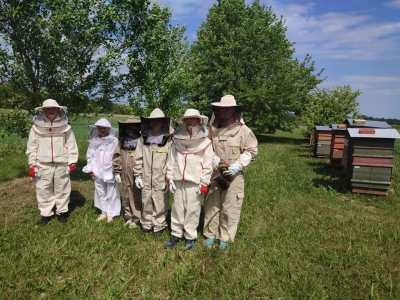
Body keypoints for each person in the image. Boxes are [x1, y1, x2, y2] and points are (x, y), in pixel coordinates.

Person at [203, 95, 258, 249]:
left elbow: (251, 151)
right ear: (219, 110)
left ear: (234, 110)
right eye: (222, 108)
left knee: (230, 205)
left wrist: (237, 166)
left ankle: (225, 237)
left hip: (234, 175)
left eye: (228, 108)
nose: (225, 111)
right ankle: (209, 234)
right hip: (214, 173)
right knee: (211, 204)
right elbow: (206, 148)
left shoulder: (244, 130)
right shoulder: (212, 129)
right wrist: (214, 159)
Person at [165, 109, 213, 249]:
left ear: (199, 121)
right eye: (187, 119)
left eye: (193, 118)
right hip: (178, 179)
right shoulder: (177, 139)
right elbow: (171, 159)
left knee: (192, 209)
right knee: (177, 208)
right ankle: (176, 233)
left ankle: (190, 236)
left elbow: (208, 164)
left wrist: (204, 182)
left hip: (195, 181)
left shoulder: (206, 142)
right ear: (184, 122)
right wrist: (169, 177)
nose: (189, 121)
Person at [26, 99, 79, 225]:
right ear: (42, 110)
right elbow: (31, 147)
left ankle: (62, 212)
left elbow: (71, 145)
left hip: (62, 162)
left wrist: (72, 162)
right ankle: (46, 214)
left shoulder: (66, 127)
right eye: (48, 109)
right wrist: (32, 164)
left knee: (63, 188)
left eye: (53, 109)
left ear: (58, 110)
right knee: (43, 189)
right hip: (42, 163)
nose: (51, 111)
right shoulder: (35, 128)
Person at [133, 108, 173, 236]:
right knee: (146, 200)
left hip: (161, 179)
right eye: (153, 121)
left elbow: (170, 160)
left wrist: (168, 179)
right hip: (145, 177)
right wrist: (137, 175)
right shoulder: (142, 139)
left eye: (158, 120)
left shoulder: (168, 140)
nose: (155, 123)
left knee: (160, 202)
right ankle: (146, 224)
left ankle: (159, 226)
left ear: (163, 122)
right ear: (149, 123)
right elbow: (138, 158)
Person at [82, 118, 122, 223]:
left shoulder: (114, 141)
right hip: (97, 171)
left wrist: (117, 170)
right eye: (100, 128)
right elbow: (90, 155)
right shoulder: (94, 141)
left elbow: (117, 156)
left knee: (112, 193)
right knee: (100, 192)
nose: (102, 130)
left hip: (110, 171)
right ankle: (104, 211)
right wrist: (90, 168)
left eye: (104, 128)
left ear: (109, 128)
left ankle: (111, 213)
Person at [118, 116, 142, 228]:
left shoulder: (142, 141)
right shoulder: (122, 140)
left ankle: (137, 217)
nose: (130, 130)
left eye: (133, 127)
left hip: (136, 172)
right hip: (124, 171)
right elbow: (117, 155)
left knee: (136, 194)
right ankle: (128, 215)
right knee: (126, 191)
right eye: (128, 127)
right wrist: (117, 171)